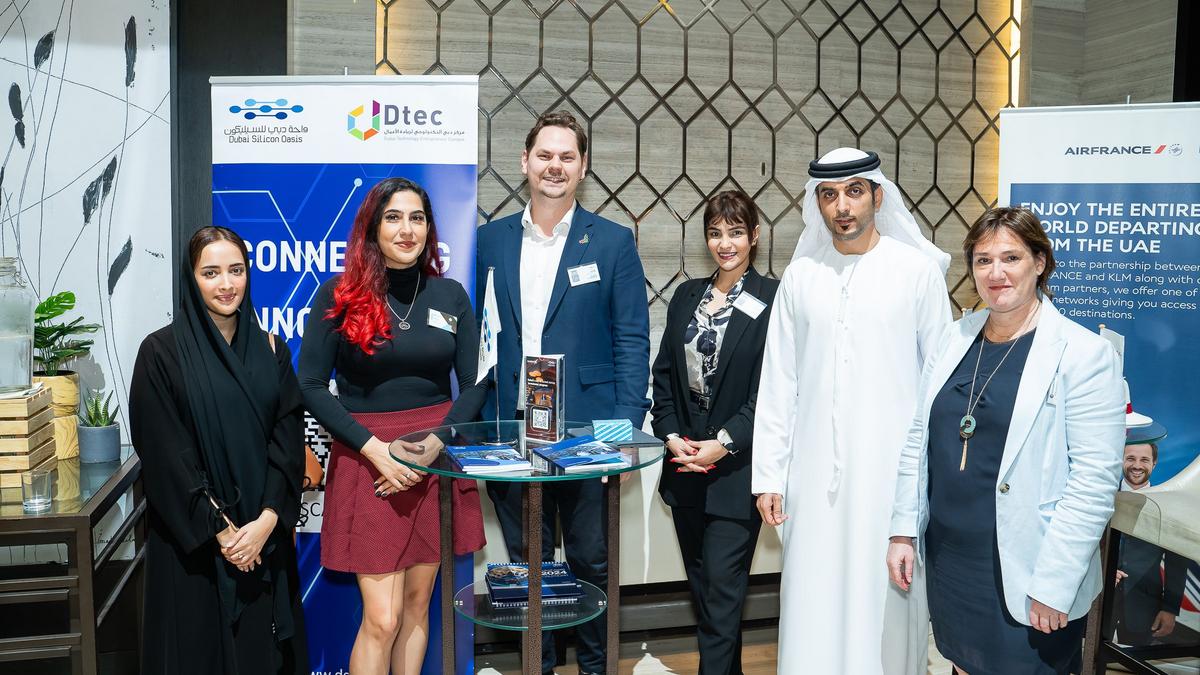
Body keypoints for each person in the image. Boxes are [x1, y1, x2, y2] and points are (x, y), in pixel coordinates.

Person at [887, 206, 1126, 674]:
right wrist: (903, 530)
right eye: (983, 260)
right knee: (960, 663)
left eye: (1010, 258)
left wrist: (1056, 582)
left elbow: (1094, 482)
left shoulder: (1084, 354)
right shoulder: (953, 339)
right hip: (951, 558)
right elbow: (919, 440)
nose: (995, 273)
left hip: (1031, 567)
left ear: (1040, 262)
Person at [752, 147, 951, 674]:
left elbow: (938, 385)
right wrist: (769, 475)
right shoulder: (801, 277)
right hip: (811, 478)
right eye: (829, 195)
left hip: (891, 480)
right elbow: (779, 380)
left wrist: (927, 483)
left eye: (854, 192)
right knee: (811, 599)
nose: (842, 206)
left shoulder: (917, 272)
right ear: (817, 203)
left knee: (884, 605)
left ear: (877, 197)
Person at [475, 110, 651, 675]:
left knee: (591, 561)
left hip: (587, 432)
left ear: (583, 167)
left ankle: (597, 669)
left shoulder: (614, 242)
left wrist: (623, 435)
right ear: (524, 162)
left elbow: (631, 340)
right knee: (528, 564)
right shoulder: (489, 241)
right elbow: (478, 340)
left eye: (567, 157)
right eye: (545, 155)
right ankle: (540, 666)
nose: (555, 166)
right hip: (511, 431)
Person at [298, 177, 487, 675]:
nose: (407, 229)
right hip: (369, 461)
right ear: (372, 228)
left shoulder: (451, 295)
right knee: (382, 620)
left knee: (417, 606)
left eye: (417, 218)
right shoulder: (338, 295)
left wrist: (433, 446)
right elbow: (310, 385)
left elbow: (475, 383)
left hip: (435, 458)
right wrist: (376, 450)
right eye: (394, 218)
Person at [129, 226, 308, 674]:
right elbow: (166, 457)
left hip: (262, 542)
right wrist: (224, 534)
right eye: (211, 273)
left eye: (236, 270)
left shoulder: (272, 350)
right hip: (195, 549)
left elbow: (287, 445)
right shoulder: (160, 353)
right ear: (191, 279)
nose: (226, 284)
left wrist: (266, 522)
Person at [650, 189, 778, 675]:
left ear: (755, 236)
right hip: (685, 467)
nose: (726, 243)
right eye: (716, 233)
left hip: (735, 473)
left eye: (736, 232)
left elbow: (772, 390)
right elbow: (664, 376)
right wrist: (670, 436)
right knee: (708, 598)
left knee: (722, 597)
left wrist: (722, 444)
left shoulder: (773, 298)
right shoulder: (687, 296)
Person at [1113, 442, 1188, 645]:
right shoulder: (1100, 498)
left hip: (1144, 608)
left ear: (1154, 463)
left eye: (1144, 460)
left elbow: (1176, 564)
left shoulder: (1167, 508)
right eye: (1130, 458)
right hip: (1097, 599)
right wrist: (1103, 569)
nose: (1137, 465)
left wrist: (1170, 609)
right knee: (1087, 658)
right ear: (1121, 461)